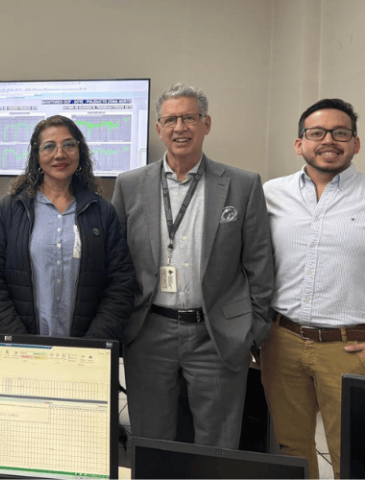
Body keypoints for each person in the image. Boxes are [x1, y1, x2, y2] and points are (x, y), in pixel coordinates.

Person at [111, 83, 274, 448]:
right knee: (152, 441)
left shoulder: (242, 185)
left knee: (217, 443)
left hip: (215, 335)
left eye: (189, 118)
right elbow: (118, 263)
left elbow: (259, 263)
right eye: (170, 120)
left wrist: (254, 329)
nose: (179, 128)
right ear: (158, 128)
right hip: (149, 331)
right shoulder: (130, 185)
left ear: (206, 124)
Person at [261, 98, 365, 479]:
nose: (328, 141)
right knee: (292, 449)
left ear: (355, 143)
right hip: (282, 342)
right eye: (316, 133)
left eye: (341, 133)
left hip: (349, 349)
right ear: (299, 143)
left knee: (351, 453)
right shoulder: (271, 194)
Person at [0, 115, 134, 339]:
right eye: (49, 146)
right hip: (23, 347)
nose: (60, 154)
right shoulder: (11, 210)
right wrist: (18, 340)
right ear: (37, 155)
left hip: (86, 350)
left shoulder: (102, 212)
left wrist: (93, 345)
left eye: (69, 145)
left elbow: (120, 284)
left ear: (80, 152)